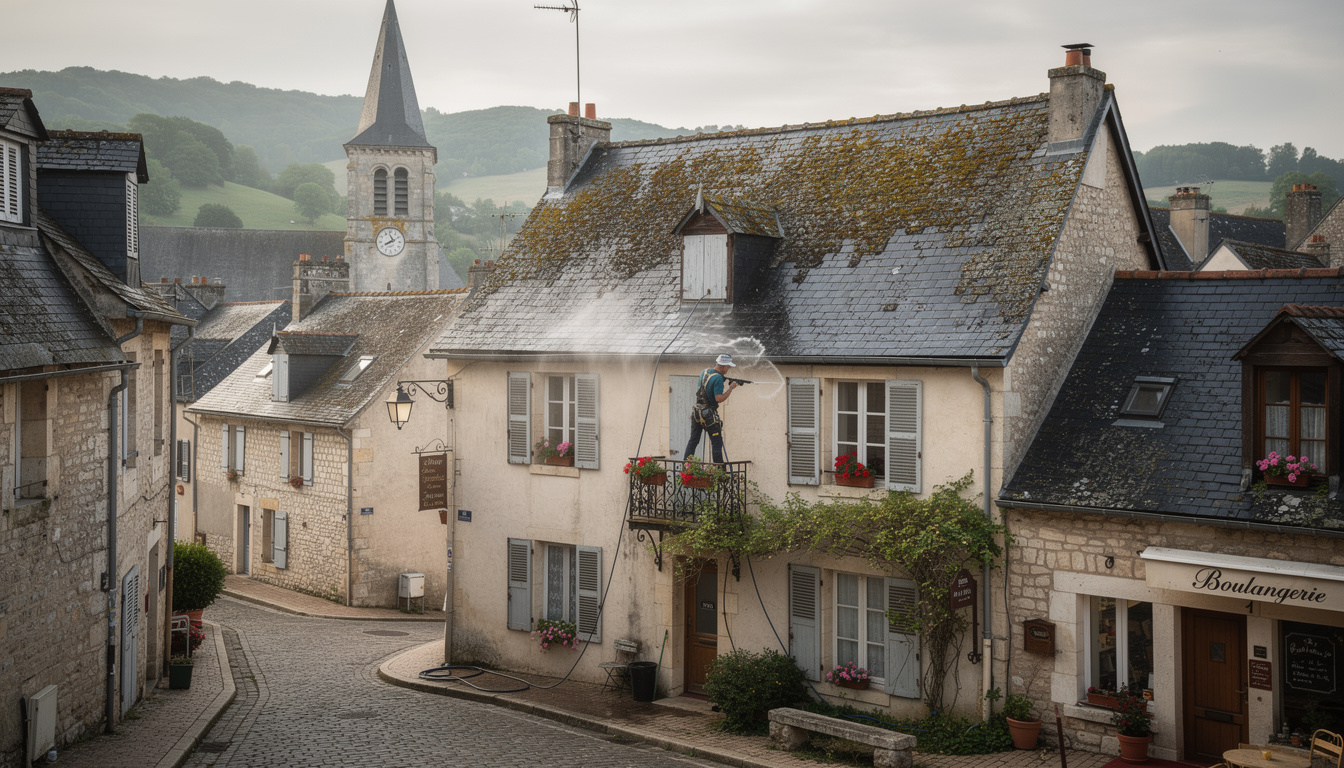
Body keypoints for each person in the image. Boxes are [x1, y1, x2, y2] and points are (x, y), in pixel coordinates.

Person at [683, 354, 740, 464]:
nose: (728, 369)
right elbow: (719, 398)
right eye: (728, 366)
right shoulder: (718, 378)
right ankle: (719, 472)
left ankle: (686, 466)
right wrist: (731, 389)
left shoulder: (705, 372)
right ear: (723, 366)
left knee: (693, 440)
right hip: (709, 414)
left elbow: (706, 386)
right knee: (716, 443)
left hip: (697, 411)